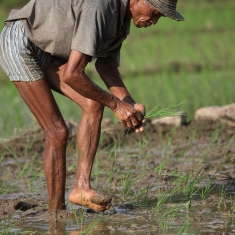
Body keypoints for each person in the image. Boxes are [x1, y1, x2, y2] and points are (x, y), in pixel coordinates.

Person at [0, 0, 184, 212]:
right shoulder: (100, 7)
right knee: (57, 132)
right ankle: (56, 213)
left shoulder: (121, 22)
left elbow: (105, 66)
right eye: (154, 13)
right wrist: (117, 105)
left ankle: (81, 188)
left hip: (45, 47)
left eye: (159, 17)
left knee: (93, 104)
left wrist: (129, 103)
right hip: (21, 41)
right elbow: (72, 75)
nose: (154, 20)